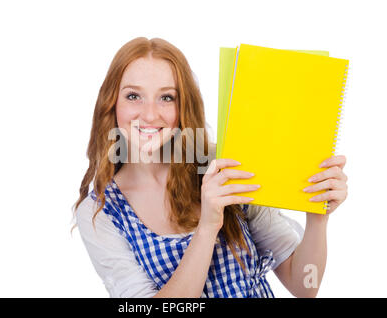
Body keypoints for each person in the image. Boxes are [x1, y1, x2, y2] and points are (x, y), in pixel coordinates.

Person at [73, 37, 348, 298]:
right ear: (111, 103)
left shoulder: (224, 162)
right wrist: (207, 226)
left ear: (184, 105)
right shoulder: (101, 213)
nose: (149, 114)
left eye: (166, 97)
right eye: (133, 96)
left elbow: (305, 286)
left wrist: (317, 217)